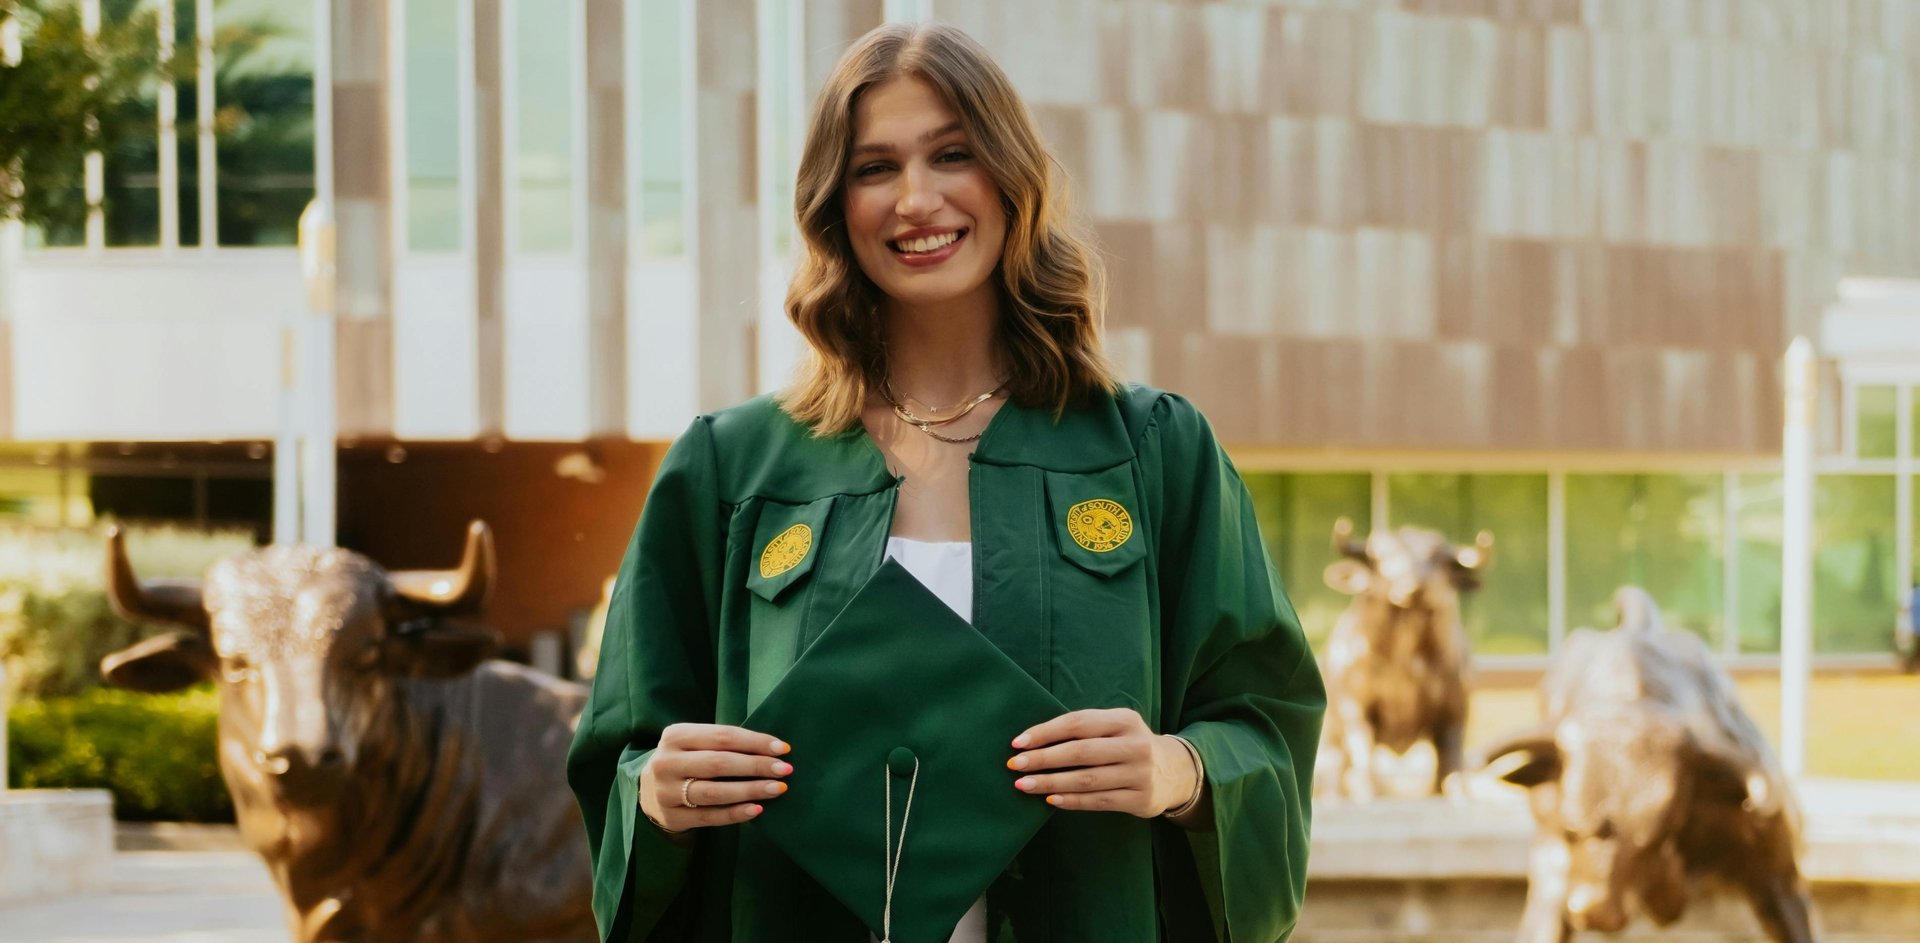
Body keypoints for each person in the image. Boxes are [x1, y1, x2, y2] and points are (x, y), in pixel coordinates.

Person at [567, 21, 1325, 943]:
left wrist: (1180, 772)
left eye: (952, 155)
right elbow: (622, 756)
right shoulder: (731, 470)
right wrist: (656, 793)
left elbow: (1266, 723)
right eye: (874, 168)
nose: (916, 200)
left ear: (1011, 178)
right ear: (833, 205)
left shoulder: (1153, 454)